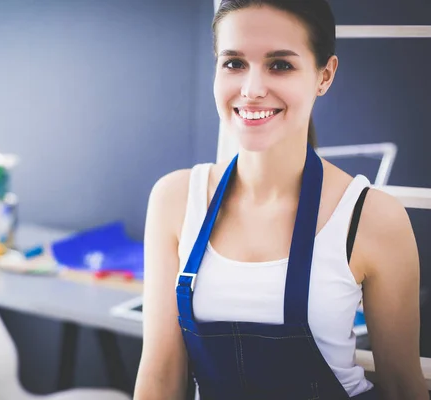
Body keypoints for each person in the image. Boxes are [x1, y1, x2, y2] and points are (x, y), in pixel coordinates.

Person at [134, 0, 429, 399]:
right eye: (234, 63)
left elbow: (401, 387)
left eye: (280, 64)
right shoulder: (174, 199)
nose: (252, 89)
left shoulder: (373, 217)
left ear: (324, 75)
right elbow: (159, 377)